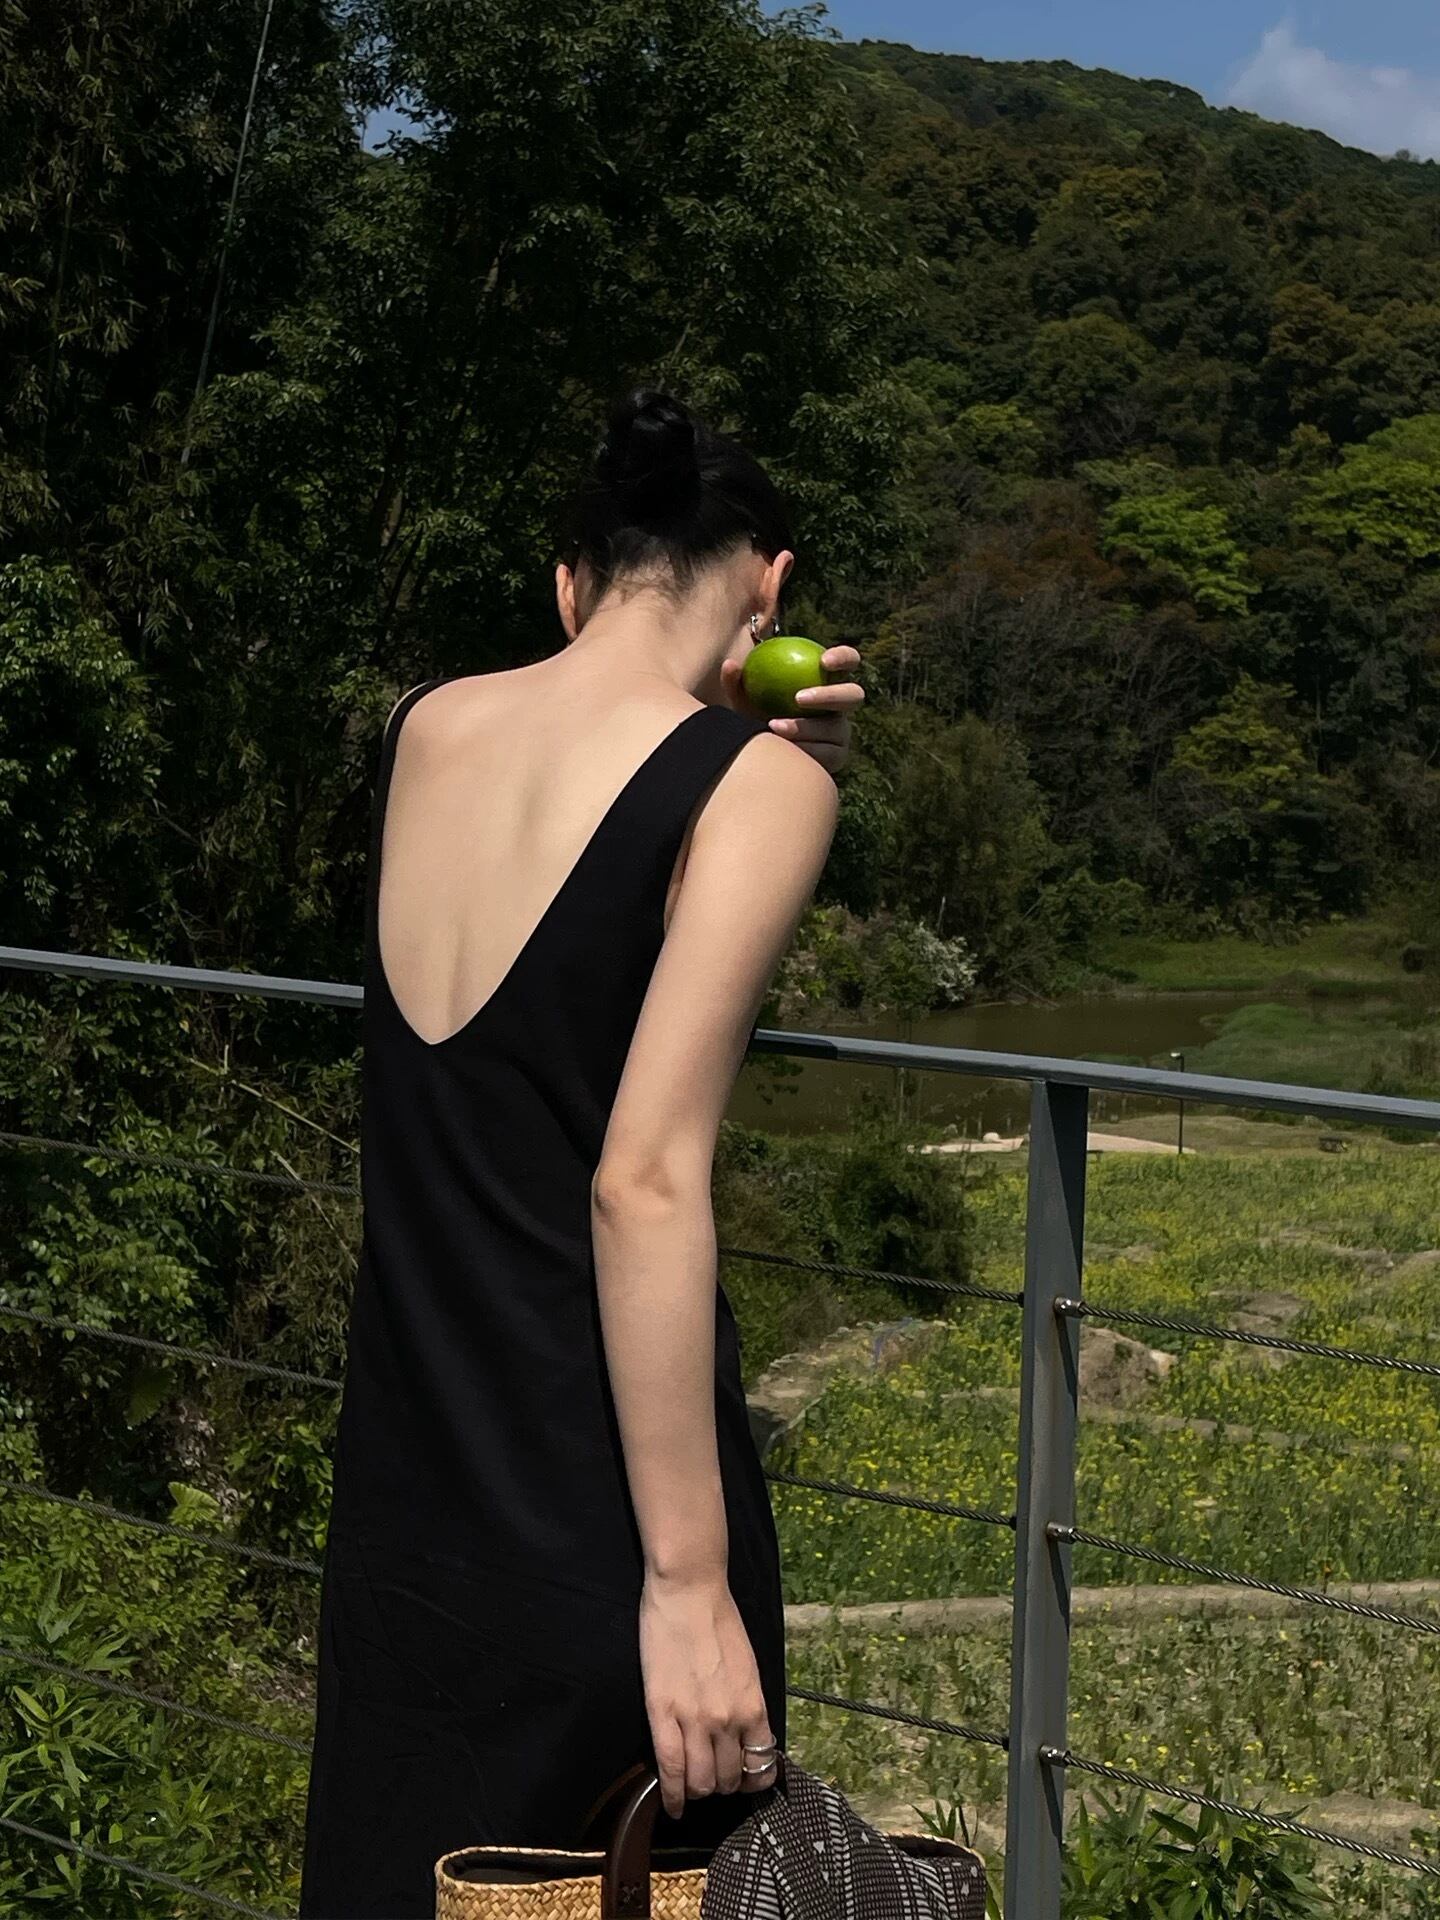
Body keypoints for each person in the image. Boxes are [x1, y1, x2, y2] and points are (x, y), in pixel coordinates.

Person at [298, 387, 863, 1917]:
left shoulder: (425, 727)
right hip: (605, 1529)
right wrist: (688, 1587)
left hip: (408, 1518)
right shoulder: (758, 785)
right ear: (769, 589)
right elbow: (643, 1177)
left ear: (569, 584)